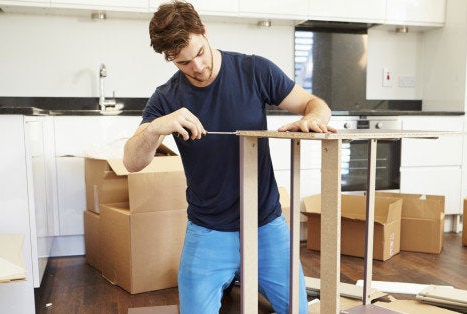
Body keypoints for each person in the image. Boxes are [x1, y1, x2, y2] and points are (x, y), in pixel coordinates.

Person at [123, 1, 336, 312]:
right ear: (169, 59)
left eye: (199, 53)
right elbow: (132, 161)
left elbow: (315, 104)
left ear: (204, 32)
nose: (196, 67)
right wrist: (156, 127)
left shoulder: (254, 70)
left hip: (265, 222)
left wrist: (312, 118)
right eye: (183, 63)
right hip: (208, 229)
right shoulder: (166, 97)